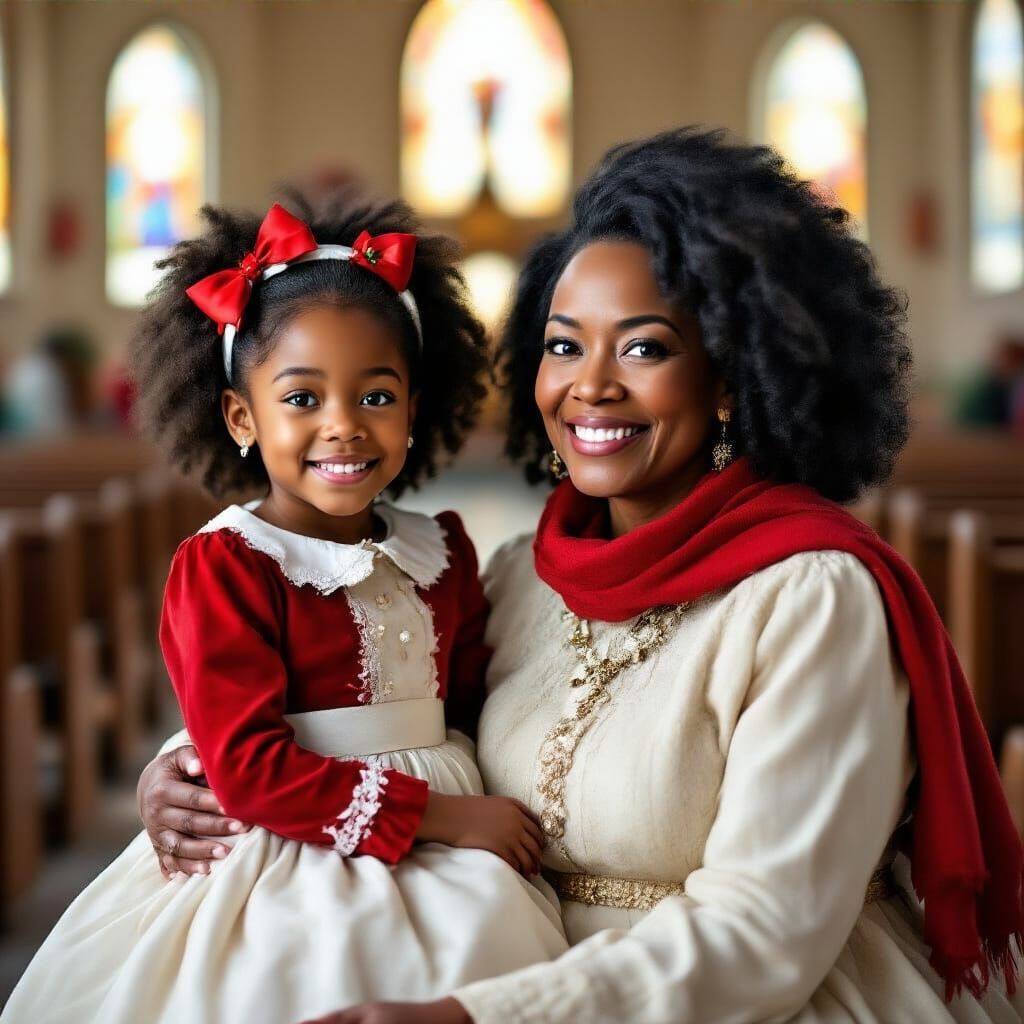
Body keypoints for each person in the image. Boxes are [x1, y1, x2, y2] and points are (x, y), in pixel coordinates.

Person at [142, 129, 1023, 1024]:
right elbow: (360, 702)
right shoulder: (519, 577)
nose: (591, 386)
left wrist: (477, 1015)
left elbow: (767, 934)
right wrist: (185, 779)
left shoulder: (811, 598)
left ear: (729, 376)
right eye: (564, 346)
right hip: (494, 962)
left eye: (644, 349)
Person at [1, 193, 567, 1024]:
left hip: (453, 853)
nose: (344, 426)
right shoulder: (228, 565)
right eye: (302, 399)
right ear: (242, 416)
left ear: (414, 409)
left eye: (377, 397)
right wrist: (444, 816)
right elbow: (248, 764)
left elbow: (475, 702)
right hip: (286, 850)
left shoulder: (440, 548)